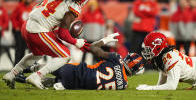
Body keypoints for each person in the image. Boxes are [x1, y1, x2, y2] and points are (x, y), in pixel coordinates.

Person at [3, 0, 91, 89]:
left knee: (37, 54)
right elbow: (62, 33)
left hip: (27, 25)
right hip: (38, 29)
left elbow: (50, 18)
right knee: (65, 55)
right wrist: (77, 42)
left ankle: (12, 74)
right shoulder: (73, 5)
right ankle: (37, 76)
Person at [15, 34, 144, 90]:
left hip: (75, 71)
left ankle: (25, 70)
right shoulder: (124, 85)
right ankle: (21, 80)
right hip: (73, 85)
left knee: (52, 66)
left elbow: (93, 48)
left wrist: (105, 40)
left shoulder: (116, 59)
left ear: (128, 60)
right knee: (48, 82)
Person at [11, 0, 33, 65]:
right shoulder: (19, 7)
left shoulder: (31, 8)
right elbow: (13, 17)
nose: (27, 0)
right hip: (19, 31)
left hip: (26, 31)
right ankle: (16, 64)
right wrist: (16, 26)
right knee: (19, 48)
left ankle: (22, 66)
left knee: (24, 49)